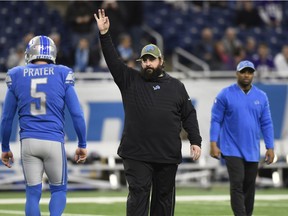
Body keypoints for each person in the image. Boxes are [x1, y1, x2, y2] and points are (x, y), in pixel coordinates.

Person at [94, 9, 202, 216]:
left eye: (152, 59)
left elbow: (189, 114)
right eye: (144, 60)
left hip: (167, 155)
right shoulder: (130, 80)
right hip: (137, 154)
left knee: (164, 201)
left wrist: (195, 140)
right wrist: (104, 34)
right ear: (140, 62)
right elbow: (113, 61)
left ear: (161, 61)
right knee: (138, 196)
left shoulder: (176, 86)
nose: (148, 63)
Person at [1, 35, 88, 216]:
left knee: (32, 194)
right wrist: (82, 144)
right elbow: (77, 114)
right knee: (58, 190)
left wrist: (5, 146)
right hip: (54, 141)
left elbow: (6, 118)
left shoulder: (16, 74)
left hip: (29, 141)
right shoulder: (62, 73)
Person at [209, 60, 275, 216]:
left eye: (250, 72)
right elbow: (216, 120)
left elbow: (266, 123)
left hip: (252, 149)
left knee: (249, 186)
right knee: (237, 183)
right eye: (243, 72)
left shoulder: (261, 96)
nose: (246, 75)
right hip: (231, 148)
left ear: (253, 74)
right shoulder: (225, 94)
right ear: (236, 73)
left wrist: (270, 147)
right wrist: (213, 143)